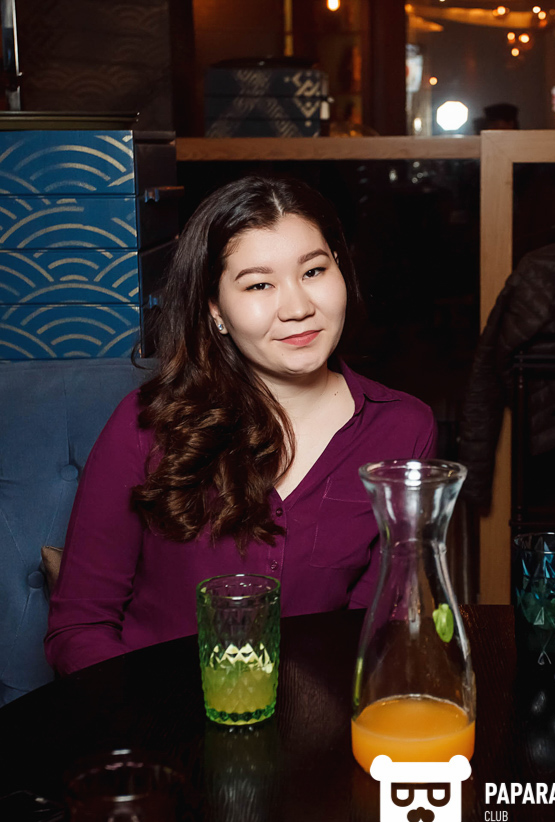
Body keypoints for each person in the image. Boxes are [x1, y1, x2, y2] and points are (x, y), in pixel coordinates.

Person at [45, 176, 436, 674]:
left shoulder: (402, 429)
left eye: (314, 271)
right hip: (155, 710)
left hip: (319, 712)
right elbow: (79, 628)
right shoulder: (148, 425)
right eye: (258, 284)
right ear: (215, 309)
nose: (298, 308)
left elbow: (375, 627)